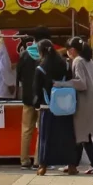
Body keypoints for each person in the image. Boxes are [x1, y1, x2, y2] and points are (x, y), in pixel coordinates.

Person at [53, 38, 93, 175]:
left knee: (82, 136)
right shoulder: (89, 60)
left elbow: (81, 83)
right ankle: (73, 164)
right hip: (92, 101)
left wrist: (63, 84)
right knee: (81, 136)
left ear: (72, 50)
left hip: (84, 103)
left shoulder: (78, 61)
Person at [33, 40, 75, 175]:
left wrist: (37, 105)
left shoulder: (41, 68)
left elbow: (36, 90)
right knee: (66, 136)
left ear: (41, 52)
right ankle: (71, 165)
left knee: (46, 137)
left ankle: (43, 166)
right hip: (65, 106)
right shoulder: (65, 64)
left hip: (48, 106)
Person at [16, 36, 40, 170]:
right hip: (42, 98)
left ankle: (24, 161)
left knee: (26, 130)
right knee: (41, 131)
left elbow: (18, 75)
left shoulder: (24, 54)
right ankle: (38, 160)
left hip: (27, 96)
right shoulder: (45, 53)